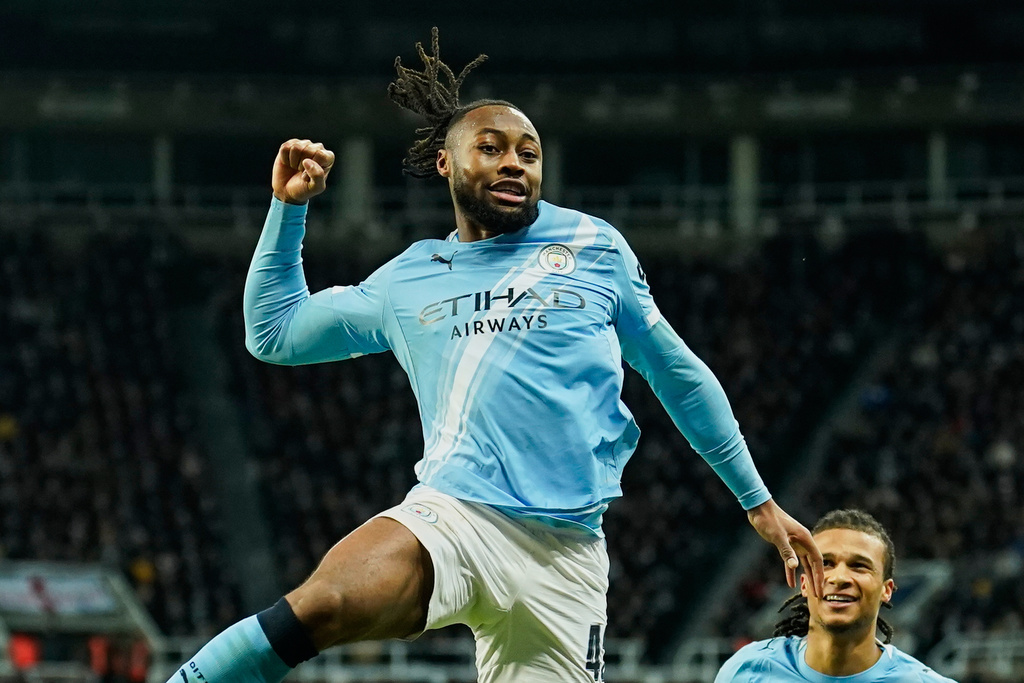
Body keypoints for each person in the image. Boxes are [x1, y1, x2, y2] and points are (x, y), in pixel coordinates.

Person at [170, 29, 823, 683]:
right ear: (446, 164)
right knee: (324, 602)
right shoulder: (408, 279)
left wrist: (757, 499)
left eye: (529, 153)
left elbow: (676, 371)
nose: (516, 163)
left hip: (565, 555)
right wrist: (288, 211)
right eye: (492, 147)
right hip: (454, 515)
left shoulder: (593, 245)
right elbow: (274, 333)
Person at [715, 509, 957, 682]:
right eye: (825, 563)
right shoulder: (746, 671)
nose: (839, 577)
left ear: (887, 590)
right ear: (805, 584)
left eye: (859, 566)